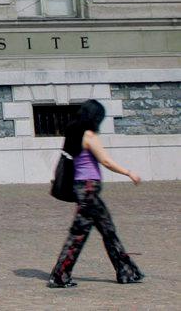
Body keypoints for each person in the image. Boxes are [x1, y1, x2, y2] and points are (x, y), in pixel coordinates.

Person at [47, 99, 144, 289]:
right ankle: (59, 275)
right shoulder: (89, 135)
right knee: (79, 234)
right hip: (88, 190)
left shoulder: (72, 132)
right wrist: (128, 172)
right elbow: (105, 161)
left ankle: (125, 271)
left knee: (107, 230)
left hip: (82, 189)